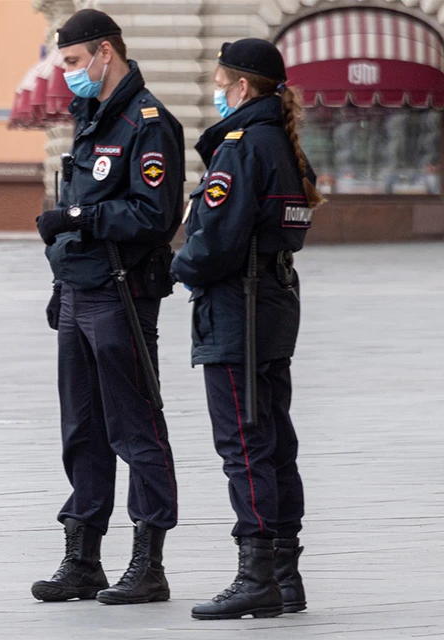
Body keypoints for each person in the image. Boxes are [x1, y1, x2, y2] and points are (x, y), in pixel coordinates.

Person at [31, 9, 184, 606]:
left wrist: (78, 218)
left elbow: (155, 216)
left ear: (103, 52)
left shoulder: (147, 123)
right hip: (79, 291)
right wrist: (59, 281)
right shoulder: (91, 118)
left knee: (134, 427)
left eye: (73, 63)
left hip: (122, 293)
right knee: (82, 431)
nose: (69, 75)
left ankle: (149, 561)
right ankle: (83, 557)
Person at [170, 38, 324, 620]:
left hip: (240, 306)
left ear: (239, 87)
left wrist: (177, 266)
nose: (216, 92)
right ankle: (285, 574)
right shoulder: (282, 141)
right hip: (275, 301)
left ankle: (256, 573)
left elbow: (217, 241)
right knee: (274, 439)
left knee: (244, 442)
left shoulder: (240, 146)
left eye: (220, 81)